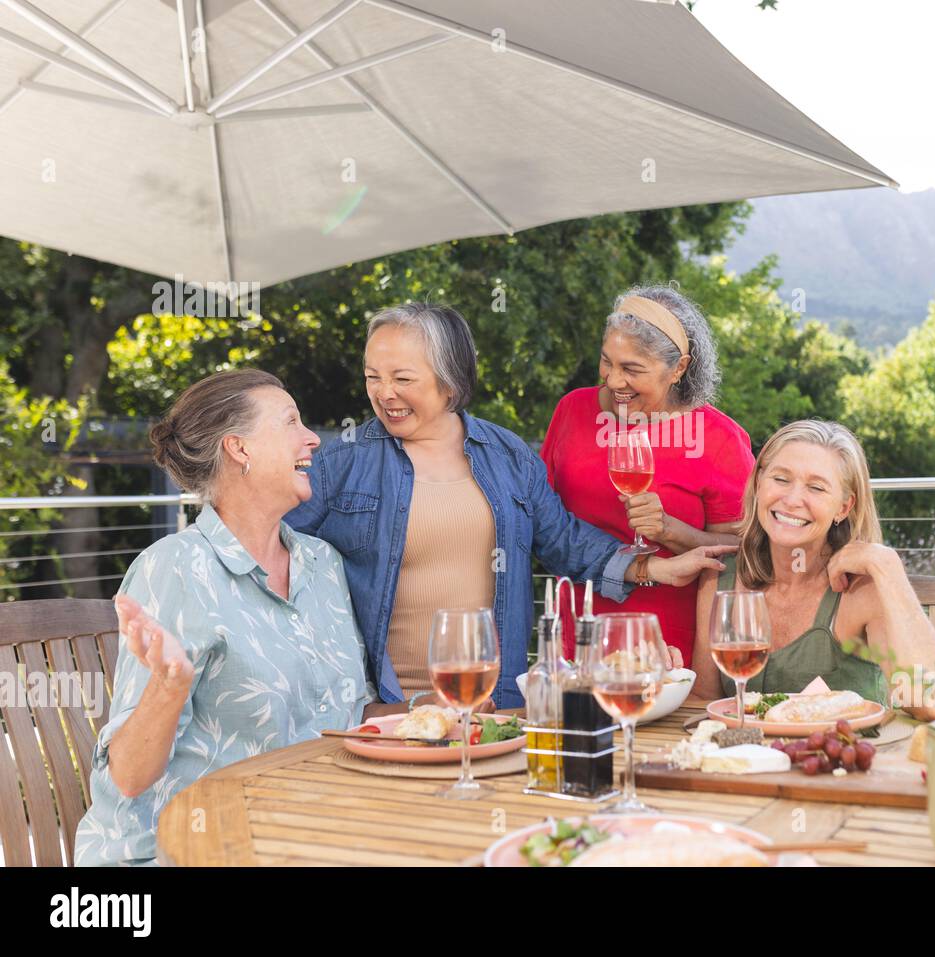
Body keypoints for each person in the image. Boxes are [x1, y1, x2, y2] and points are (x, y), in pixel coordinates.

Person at [287, 303, 731, 712]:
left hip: (494, 705)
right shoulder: (339, 463)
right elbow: (273, 556)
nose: (384, 394)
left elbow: (563, 540)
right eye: (372, 377)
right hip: (387, 709)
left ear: (449, 380)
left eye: (402, 379)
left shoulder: (508, 457)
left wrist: (653, 569)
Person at [76, 370, 377, 866]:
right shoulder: (174, 569)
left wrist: (440, 714)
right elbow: (126, 778)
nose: (312, 440)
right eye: (291, 423)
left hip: (301, 844)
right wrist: (169, 685)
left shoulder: (322, 564)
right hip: (180, 851)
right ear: (240, 449)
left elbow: (350, 714)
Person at [541, 285, 754, 666]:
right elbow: (546, 521)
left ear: (679, 368)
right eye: (607, 361)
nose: (613, 380)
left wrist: (671, 531)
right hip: (578, 631)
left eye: (632, 369)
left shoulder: (719, 439)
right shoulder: (572, 410)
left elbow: (745, 548)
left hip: (667, 644)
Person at [691, 420, 935, 720]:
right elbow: (705, 701)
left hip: (845, 762)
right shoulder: (719, 578)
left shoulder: (863, 590)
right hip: (751, 761)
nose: (792, 500)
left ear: (843, 507)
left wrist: (887, 565)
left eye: (816, 487)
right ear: (759, 483)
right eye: (781, 478)